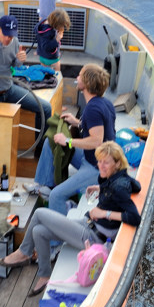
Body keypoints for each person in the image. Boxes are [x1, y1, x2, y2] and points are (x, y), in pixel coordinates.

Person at [0, 141, 140, 296]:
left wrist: (103, 214)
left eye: (106, 162)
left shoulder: (119, 186)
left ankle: (24, 252)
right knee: (39, 231)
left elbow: (134, 217)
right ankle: (44, 275)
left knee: (39, 213)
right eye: (99, 161)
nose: (101, 165)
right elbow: (136, 185)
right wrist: (101, 188)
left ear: (117, 163)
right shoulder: (116, 178)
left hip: (93, 237)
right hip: (88, 224)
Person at [36, 63, 116, 214]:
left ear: (86, 83)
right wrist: (77, 122)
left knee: (56, 196)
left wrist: (68, 141)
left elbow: (96, 141)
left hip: (97, 168)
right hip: (90, 158)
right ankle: (44, 185)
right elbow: (101, 132)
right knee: (51, 141)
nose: (77, 77)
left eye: (80, 75)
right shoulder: (105, 103)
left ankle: (57, 237)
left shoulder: (93, 109)